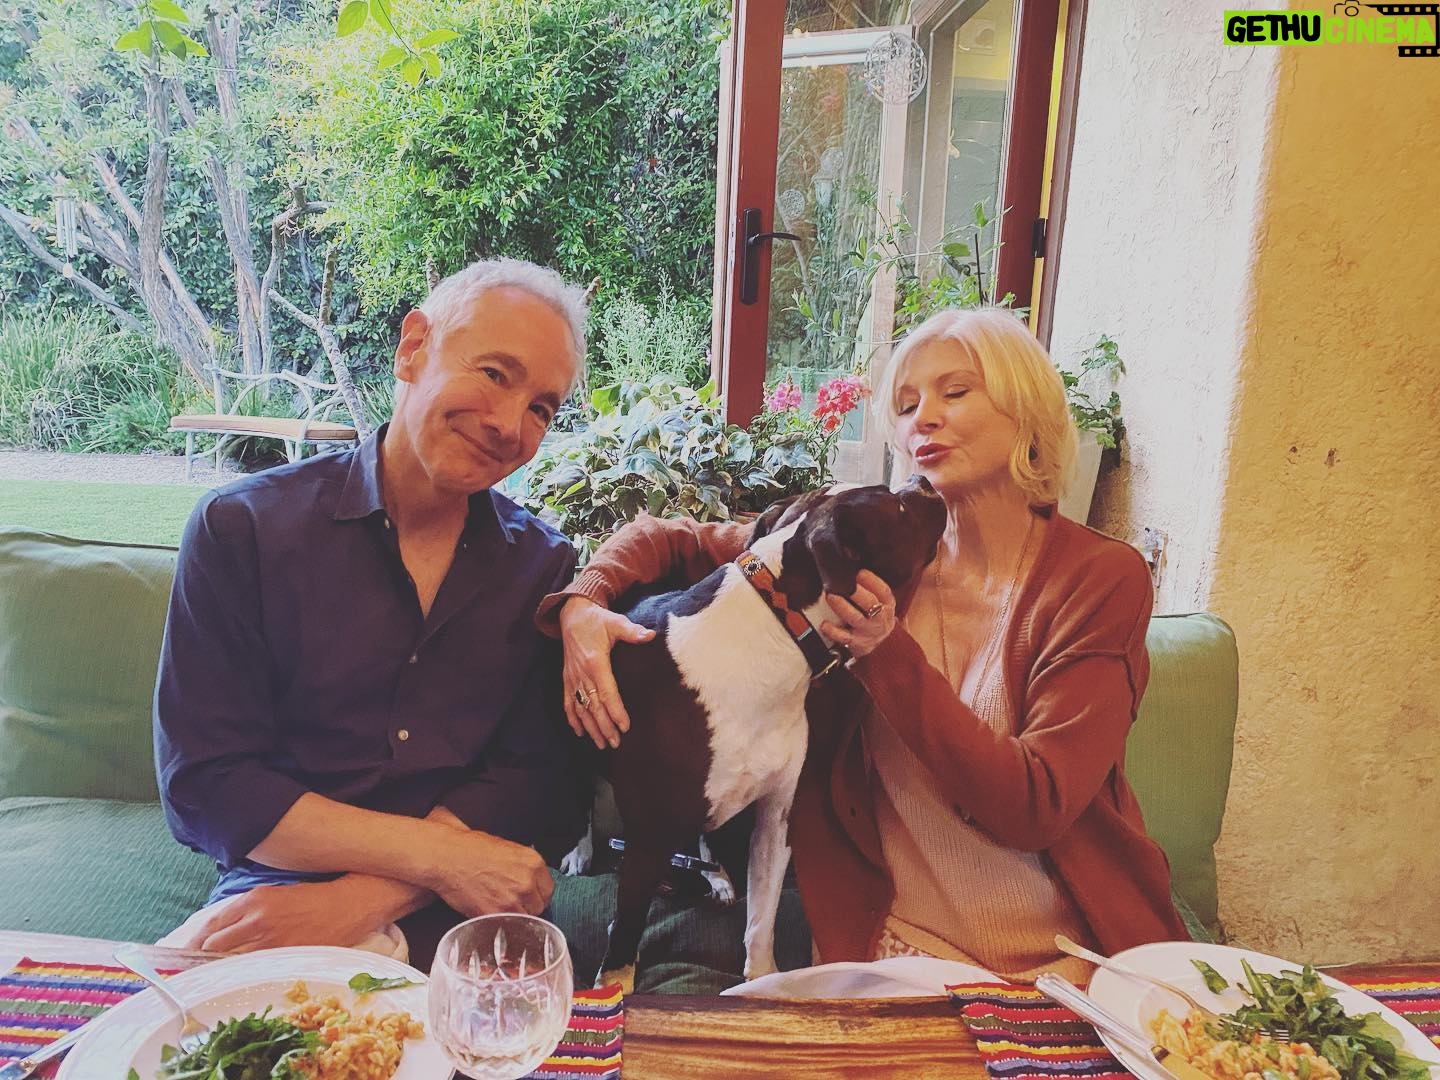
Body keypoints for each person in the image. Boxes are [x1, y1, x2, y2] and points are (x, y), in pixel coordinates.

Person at [542, 308, 1187, 982]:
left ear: (1028, 410)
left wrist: (886, 655)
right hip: (890, 944)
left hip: (1065, 958)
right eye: (906, 405)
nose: (923, 418)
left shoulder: (1098, 580)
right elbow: (671, 538)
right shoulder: (869, 550)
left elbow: (1035, 807)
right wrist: (585, 601)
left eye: (955, 392)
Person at [154, 258, 597, 965]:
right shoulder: (242, 530)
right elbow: (209, 784)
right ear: (413, 347)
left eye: (542, 408)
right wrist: (437, 858)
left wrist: (359, 902)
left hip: (478, 903)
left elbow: (536, 784)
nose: (509, 424)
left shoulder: (540, 567)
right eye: (494, 373)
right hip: (285, 885)